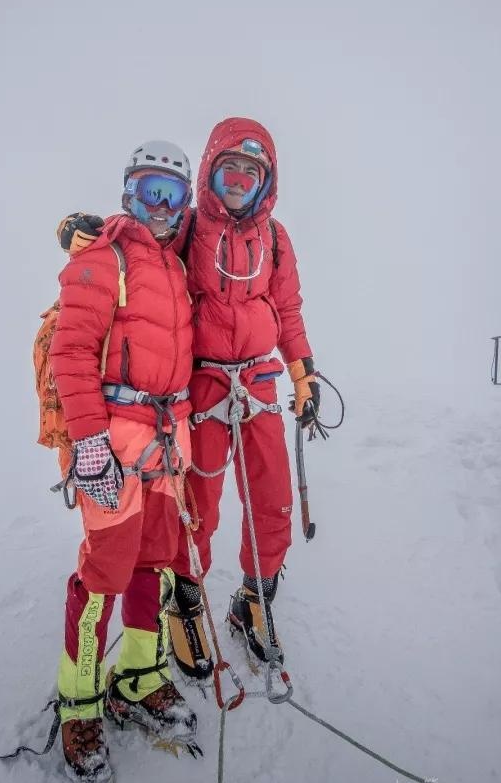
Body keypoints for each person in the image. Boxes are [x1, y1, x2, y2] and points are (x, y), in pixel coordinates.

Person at [57, 117, 319, 684]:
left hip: (259, 381)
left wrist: (304, 375)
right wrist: (86, 230)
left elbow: (289, 309)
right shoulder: (191, 227)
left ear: (266, 182)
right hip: (199, 385)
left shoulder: (275, 239)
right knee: (195, 506)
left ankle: (254, 599)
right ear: (210, 171)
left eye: (253, 172)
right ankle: (185, 602)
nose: (240, 180)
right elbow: (143, 237)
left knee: (272, 500)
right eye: (231, 168)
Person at [49, 140, 198, 783]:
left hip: (168, 444)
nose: (159, 206)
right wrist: (86, 444)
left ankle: (139, 679)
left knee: (155, 566)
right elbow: (72, 352)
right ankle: (78, 704)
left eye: (171, 193)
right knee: (103, 575)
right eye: (147, 190)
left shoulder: (178, 269)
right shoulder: (102, 259)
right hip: (112, 441)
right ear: (127, 194)